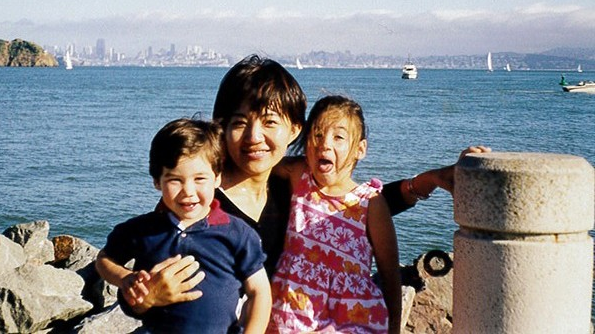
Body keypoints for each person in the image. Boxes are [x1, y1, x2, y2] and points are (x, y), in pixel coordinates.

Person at [106, 55, 490, 315]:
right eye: (239, 122)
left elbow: (360, 202)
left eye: (269, 123)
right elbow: (140, 280)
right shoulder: (196, 198)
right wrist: (143, 298)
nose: (254, 136)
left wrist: (435, 179)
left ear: (294, 129)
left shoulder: (296, 182)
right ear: (219, 126)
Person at [95, 118, 272, 333]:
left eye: (199, 179)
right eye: (175, 180)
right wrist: (124, 278)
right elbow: (105, 259)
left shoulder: (238, 233)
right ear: (156, 181)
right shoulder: (142, 230)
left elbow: (259, 291)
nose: (188, 190)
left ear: (217, 178)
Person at [268, 95, 400, 333]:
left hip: (350, 320)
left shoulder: (370, 202)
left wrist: (395, 329)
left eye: (338, 137)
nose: (324, 144)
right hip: (292, 315)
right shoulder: (299, 176)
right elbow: (260, 162)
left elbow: (390, 276)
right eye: (317, 134)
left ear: (360, 149)